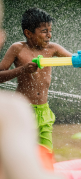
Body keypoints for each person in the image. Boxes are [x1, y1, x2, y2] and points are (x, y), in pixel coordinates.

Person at [0, 2, 63, 179]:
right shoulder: (17, 49)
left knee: (46, 156)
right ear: (28, 33)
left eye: (50, 30)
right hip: (22, 111)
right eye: (44, 31)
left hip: (44, 111)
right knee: (20, 157)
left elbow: (77, 61)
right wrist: (22, 70)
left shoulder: (53, 49)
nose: (49, 35)